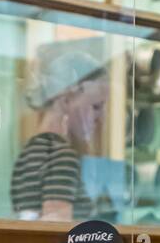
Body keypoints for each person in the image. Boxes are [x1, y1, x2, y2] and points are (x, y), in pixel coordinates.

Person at [10, 47, 109, 222]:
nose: (100, 118)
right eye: (95, 107)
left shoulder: (33, 149)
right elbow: (57, 234)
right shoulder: (60, 155)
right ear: (65, 100)